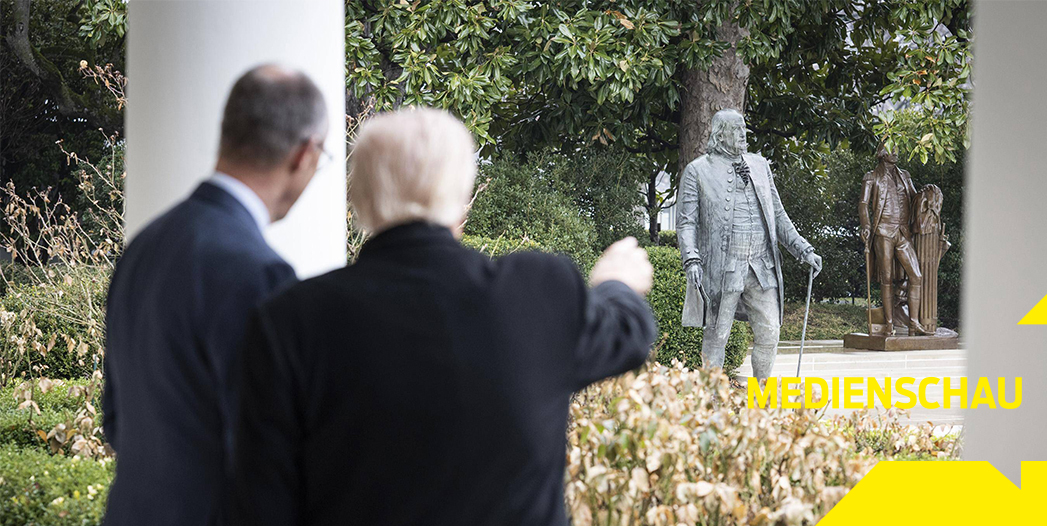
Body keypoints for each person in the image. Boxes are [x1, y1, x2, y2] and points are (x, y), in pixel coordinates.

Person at [229, 108, 657, 526]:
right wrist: (616, 282)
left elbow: (263, 502)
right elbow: (629, 334)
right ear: (461, 199)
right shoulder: (535, 293)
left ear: (358, 197)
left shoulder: (289, 320)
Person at [101, 64, 329, 526]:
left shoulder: (143, 246)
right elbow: (262, 455)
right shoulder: (259, 272)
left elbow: (115, 417)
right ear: (304, 155)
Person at [676, 108, 822, 382]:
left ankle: (761, 399)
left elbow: (778, 214)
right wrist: (691, 259)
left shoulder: (760, 165)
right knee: (717, 335)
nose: (744, 134)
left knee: (770, 332)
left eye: (744, 129)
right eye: (737, 129)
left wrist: (804, 249)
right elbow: (686, 222)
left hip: (761, 266)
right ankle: (711, 405)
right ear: (720, 135)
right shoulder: (698, 171)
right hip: (723, 268)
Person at [859, 142, 932, 335]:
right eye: (892, 150)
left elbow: (915, 198)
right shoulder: (871, 177)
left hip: (902, 232)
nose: (896, 153)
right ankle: (889, 324)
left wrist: (927, 195)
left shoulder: (904, 175)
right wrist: (866, 225)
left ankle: (913, 322)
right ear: (882, 154)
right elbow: (864, 203)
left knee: (916, 275)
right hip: (883, 231)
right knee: (887, 279)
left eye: (897, 149)